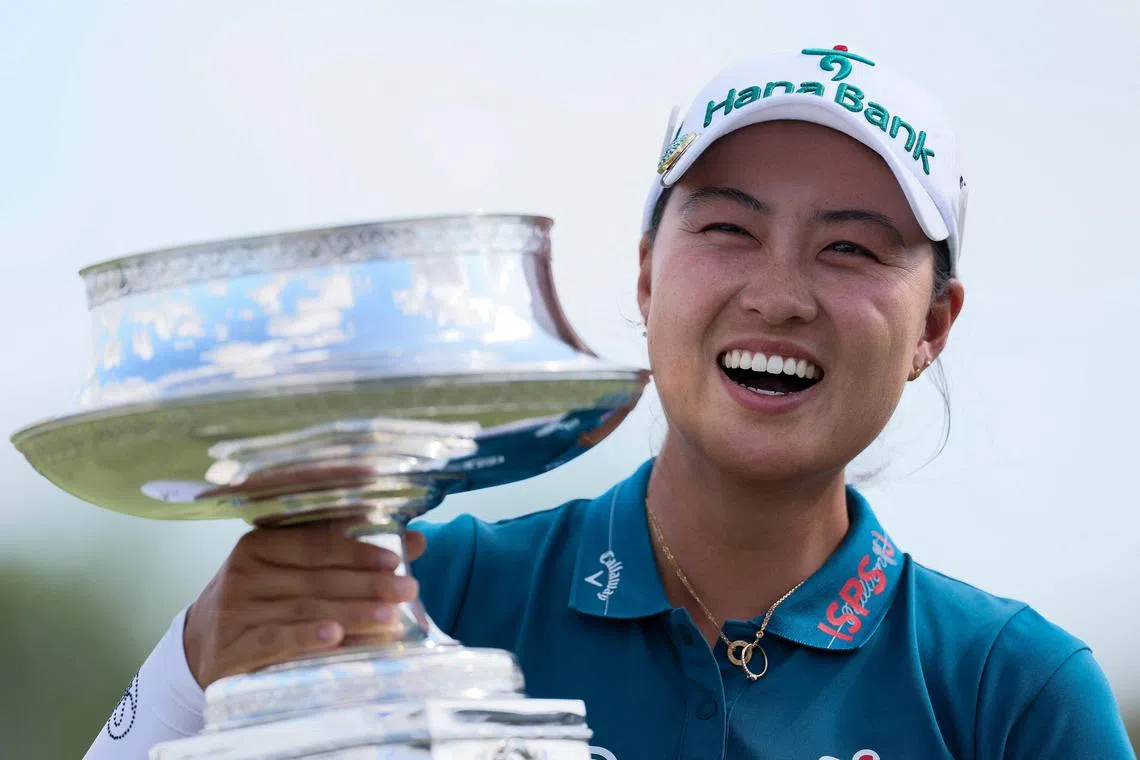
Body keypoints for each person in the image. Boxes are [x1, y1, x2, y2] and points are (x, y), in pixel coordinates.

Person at [84, 45, 1136, 760]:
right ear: (645, 276)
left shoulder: (1013, 694)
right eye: (728, 228)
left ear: (934, 327)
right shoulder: (423, 599)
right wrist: (193, 663)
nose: (776, 292)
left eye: (851, 247)